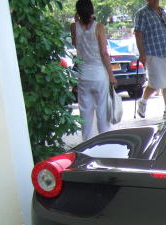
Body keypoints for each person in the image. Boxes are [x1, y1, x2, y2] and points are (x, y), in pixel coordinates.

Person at [70, 0, 116, 141]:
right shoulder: (99, 27)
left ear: (77, 12)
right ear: (92, 11)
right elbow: (104, 53)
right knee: (102, 111)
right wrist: (111, 75)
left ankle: (87, 143)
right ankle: (105, 140)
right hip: (99, 74)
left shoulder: (74, 27)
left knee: (85, 112)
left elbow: (74, 43)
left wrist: (76, 20)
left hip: (83, 75)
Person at [133, 0, 166, 120]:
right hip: (153, 52)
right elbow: (138, 33)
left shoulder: (163, 12)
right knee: (156, 83)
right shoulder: (142, 13)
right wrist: (142, 53)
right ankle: (143, 102)